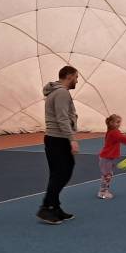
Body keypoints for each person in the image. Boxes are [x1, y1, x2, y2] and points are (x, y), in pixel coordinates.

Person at [37, 65, 79, 225]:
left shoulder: (55, 92)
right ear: (69, 76)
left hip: (54, 139)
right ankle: (46, 207)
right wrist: (72, 139)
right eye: (76, 77)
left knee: (58, 173)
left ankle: (55, 207)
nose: (77, 81)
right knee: (62, 172)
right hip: (58, 139)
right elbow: (62, 118)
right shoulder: (62, 93)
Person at [98, 114, 126, 199]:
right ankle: (102, 193)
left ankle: (104, 191)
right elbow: (123, 139)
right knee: (107, 175)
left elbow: (121, 138)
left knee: (108, 175)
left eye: (119, 122)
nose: (119, 124)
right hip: (106, 158)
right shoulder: (114, 133)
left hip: (109, 158)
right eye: (117, 122)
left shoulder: (113, 131)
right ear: (111, 123)